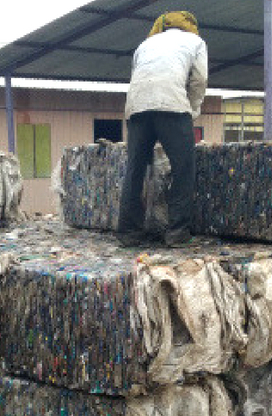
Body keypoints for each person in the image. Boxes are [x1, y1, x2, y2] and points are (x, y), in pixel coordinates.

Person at [117, 10, 207, 248]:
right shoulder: (195, 42)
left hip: (137, 107)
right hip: (172, 106)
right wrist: (192, 109)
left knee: (135, 170)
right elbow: (199, 80)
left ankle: (128, 232)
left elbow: (137, 75)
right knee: (183, 168)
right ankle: (177, 232)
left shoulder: (144, 45)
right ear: (190, 26)